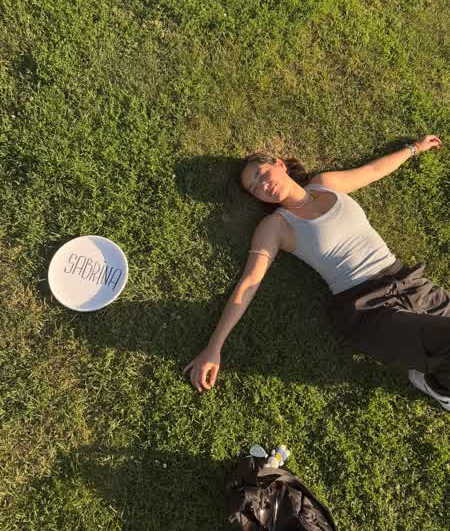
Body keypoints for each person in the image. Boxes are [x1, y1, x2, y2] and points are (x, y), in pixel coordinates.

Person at [183, 135, 450, 411]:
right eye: (254, 188)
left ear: (279, 164)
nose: (262, 185)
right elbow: (248, 283)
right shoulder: (275, 227)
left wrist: (414, 148)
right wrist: (214, 347)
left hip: (408, 282)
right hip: (368, 309)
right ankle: (439, 387)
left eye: (261, 174)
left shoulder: (326, 184)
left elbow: (372, 171)